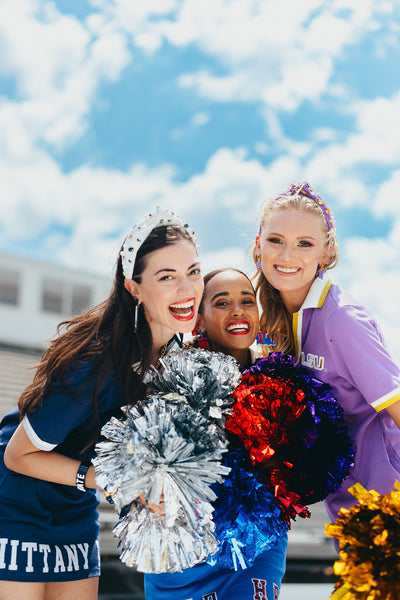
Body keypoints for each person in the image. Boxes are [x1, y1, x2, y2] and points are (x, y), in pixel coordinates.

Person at [0, 207, 203, 600]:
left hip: (73, 504)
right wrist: (114, 482)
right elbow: (17, 456)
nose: (188, 289)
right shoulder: (96, 361)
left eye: (193, 271)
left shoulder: (179, 361)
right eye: (167, 277)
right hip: (15, 501)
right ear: (134, 290)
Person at [253, 181, 400, 525]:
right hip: (347, 507)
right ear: (258, 245)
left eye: (305, 244)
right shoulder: (270, 318)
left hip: (389, 502)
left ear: (327, 253)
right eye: (276, 241)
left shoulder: (342, 320)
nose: (287, 256)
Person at [144, 267, 288, 600]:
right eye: (221, 303)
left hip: (256, 544)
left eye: (246, 301)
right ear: (200, 318)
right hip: (185, 550)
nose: (237, 310)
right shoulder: (173, 375)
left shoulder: (280, 378)